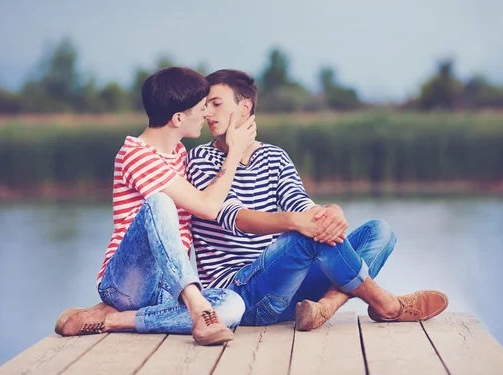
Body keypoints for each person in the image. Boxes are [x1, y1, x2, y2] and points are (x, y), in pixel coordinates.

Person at [186, 69, 448, 331]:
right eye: (205, 105)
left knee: (380, 231)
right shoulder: (200, 159)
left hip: (291, 294)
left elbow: (301, 204)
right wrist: (298, 222)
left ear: (244, 108)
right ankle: (387, 304)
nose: (207, 112)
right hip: (241, 296)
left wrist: (331, 212)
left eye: (216, 104)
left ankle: (324, 307)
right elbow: (236, 218)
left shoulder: (274, 157)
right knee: (307, 234)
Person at [54, 67, 257, 345]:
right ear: (177, 118)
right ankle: (197, 309)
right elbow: (207, 207)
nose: (207, 114)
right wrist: (233, 154)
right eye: (201, 108)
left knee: (233, 306)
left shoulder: (179, 153)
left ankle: (115, 319)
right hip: (127, 283)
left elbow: (209, 203)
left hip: (167, 288)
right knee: (160, 202)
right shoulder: (136, 155)